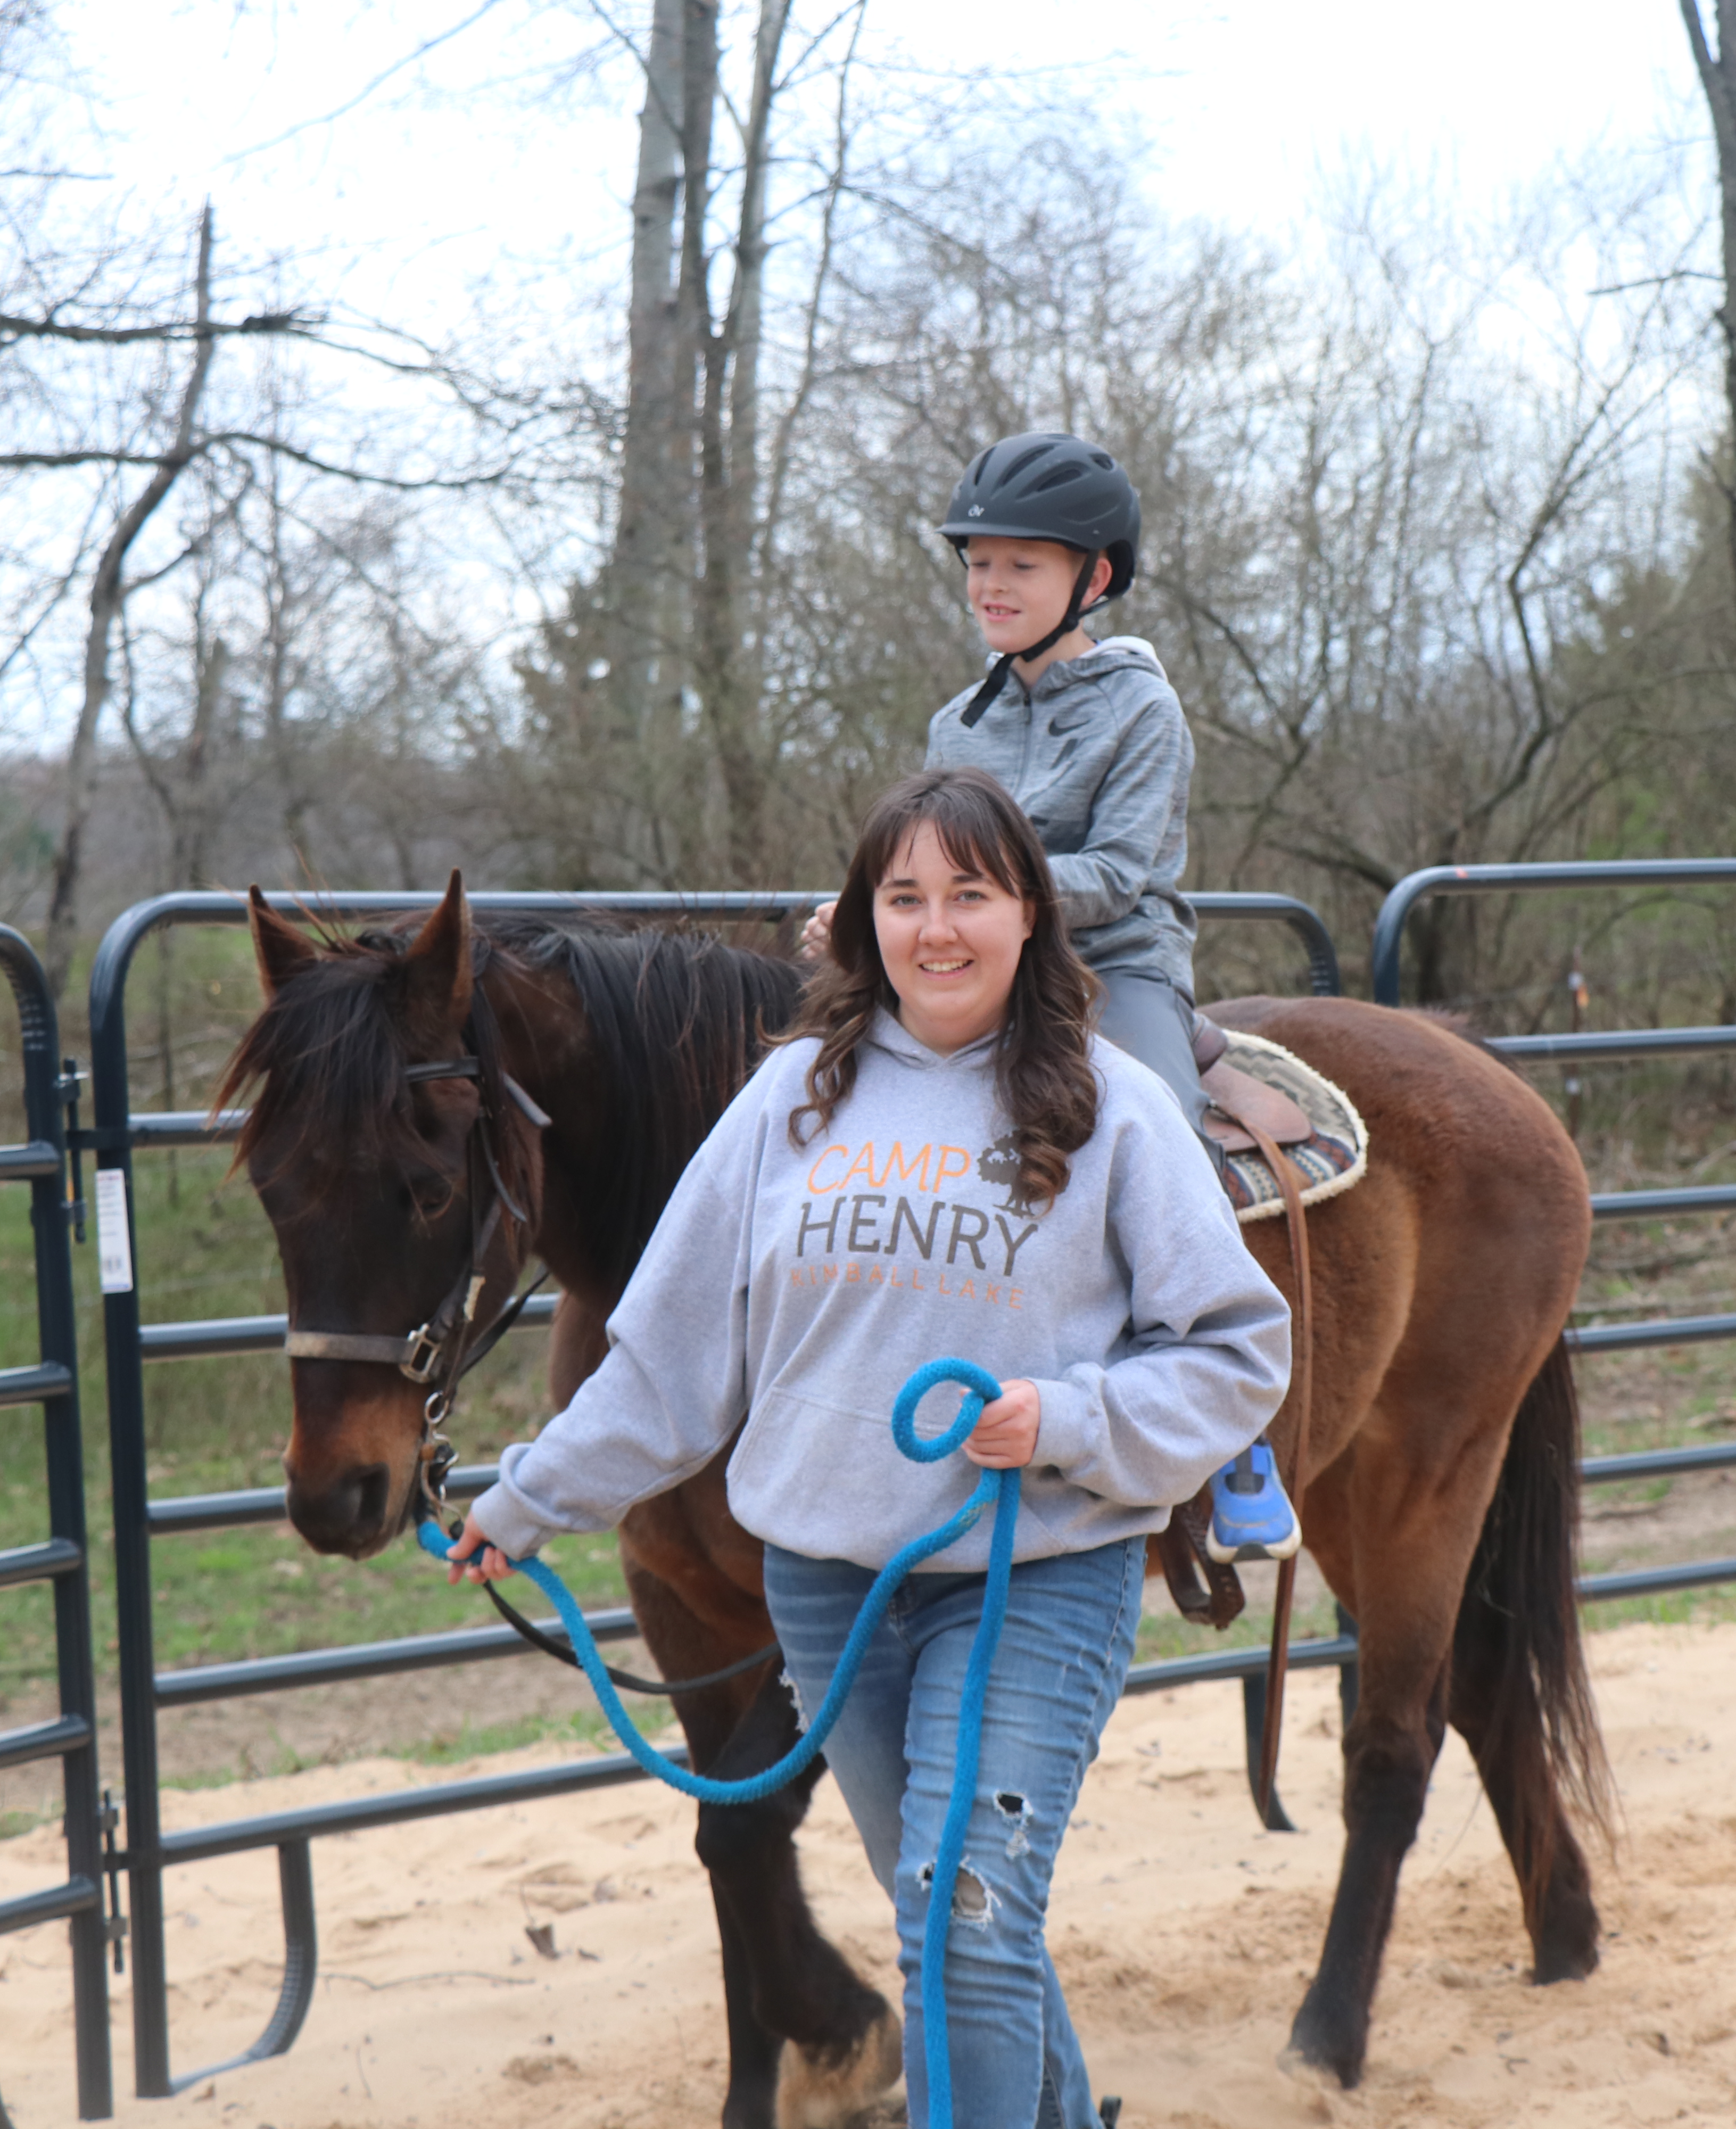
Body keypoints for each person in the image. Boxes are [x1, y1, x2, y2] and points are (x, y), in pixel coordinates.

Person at [450, 766, 1292, 2129]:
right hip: (832, 1590)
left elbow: (1238, 1346)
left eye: (971, 893)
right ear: (864, 920)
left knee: (961, 1920)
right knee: (958, 1919)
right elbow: (665, 1356)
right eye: (905, 897)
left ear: (1028, 915)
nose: (937, 926)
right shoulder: (790, 1101)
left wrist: (1072, 1419)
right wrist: (530, 1497)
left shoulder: (1117, 1105)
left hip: (1032, 1573)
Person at [806, 428, 1297, 1561]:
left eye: (1020, 565)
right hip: (971, 963)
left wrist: (978, 901)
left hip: (1111, 962)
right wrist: (869, 909)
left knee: (1165, 1128)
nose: (990, 584)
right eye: (978, 562)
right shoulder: (958, 723)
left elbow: (1123, 874)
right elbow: (927, 861)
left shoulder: (1143, 712)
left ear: (1095, 578)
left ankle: (1232, 1442)